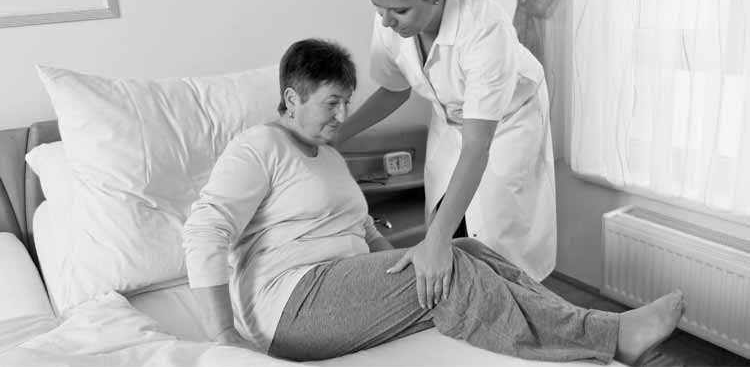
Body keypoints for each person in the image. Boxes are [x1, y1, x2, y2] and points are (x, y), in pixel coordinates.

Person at [183, 38, 685, 365]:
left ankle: (597, 331)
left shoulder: (328, 155)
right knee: (450, 272)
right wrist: (224, 335)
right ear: (292, 99)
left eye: (346, 101)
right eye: (331, 103)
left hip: (340, 285)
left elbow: (365, 231)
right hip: (292, 303)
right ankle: (608, 335)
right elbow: (205, 230)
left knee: (469, 251)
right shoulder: (258, 146)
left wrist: (403, 267)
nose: (342, 114)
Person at [335, 0, 556, 297]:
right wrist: (338, 134)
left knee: (499, 237)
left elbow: (477, 147)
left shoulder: (484, 28)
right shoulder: (392, 20)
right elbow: (394, 90)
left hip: (508, 122)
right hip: (452, 118)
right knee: (445, 216)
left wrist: (434, 242)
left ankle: (524, 307)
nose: (386, 21)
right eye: (378, 7)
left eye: (399, 10)